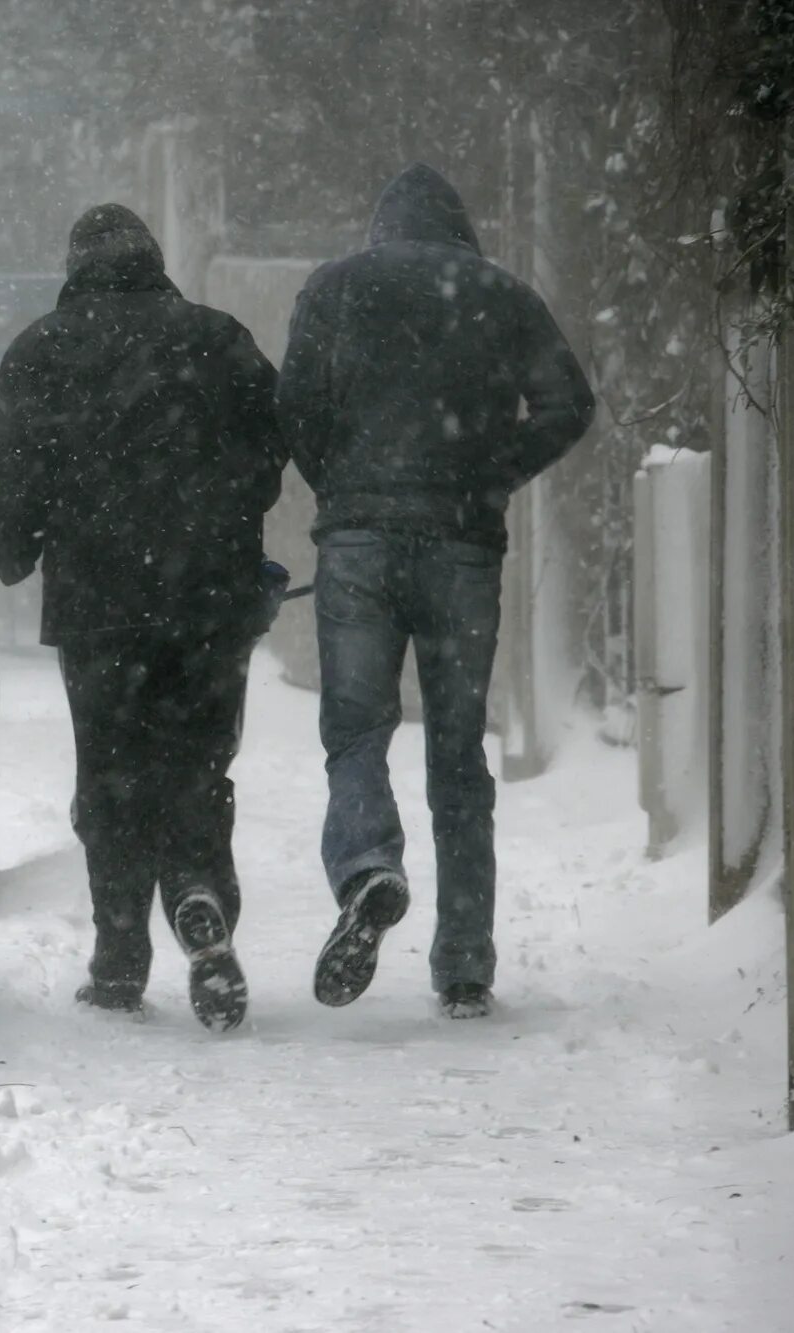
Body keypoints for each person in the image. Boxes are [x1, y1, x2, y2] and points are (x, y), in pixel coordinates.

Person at [276, 163, 596, 1020]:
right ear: (461, 231)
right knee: (459, 753)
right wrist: (491, 475)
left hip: (357, 542)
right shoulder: (501, 292)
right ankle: (463, 963)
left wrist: (338, 485)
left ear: (382, 229)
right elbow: (570, 404)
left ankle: (368, 865)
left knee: (355, 732)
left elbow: (292, 406)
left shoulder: (334, 287)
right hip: (462, 547)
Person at [0, 202, 289, 1032]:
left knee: (112, 779)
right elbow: (272, 444)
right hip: (209, 602)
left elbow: (8, 467)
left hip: (97, 608)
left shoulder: (42, 350)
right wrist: (230, 514)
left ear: (76, 266)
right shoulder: (217, 338)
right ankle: (198, 894)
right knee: (195, 766)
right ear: (153, 259)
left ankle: (119, 960)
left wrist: (17, 545)